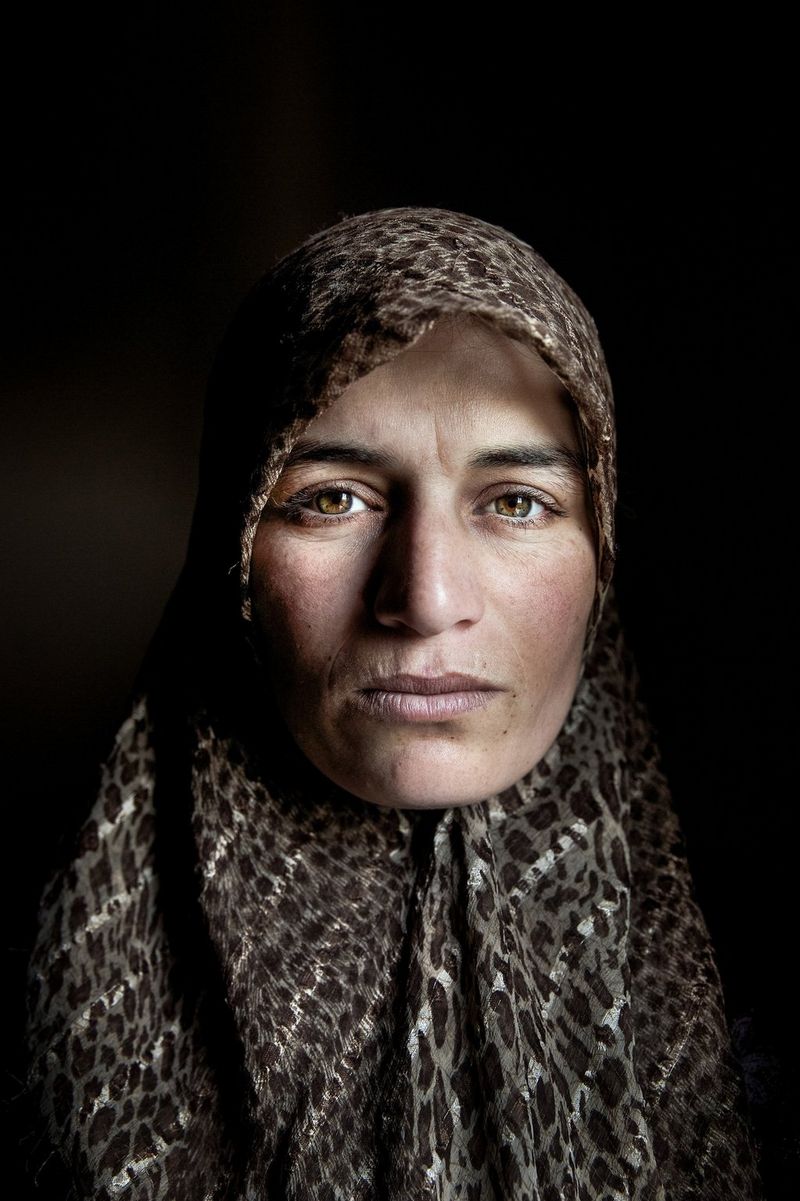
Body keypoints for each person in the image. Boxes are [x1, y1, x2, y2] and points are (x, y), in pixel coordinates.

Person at [25, 207, 764, 1199]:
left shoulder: (755, 1017)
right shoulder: (48, 1030)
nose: (423, 599)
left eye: (514, 502)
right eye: (331, 497)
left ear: (602, 556)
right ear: (230, 552)